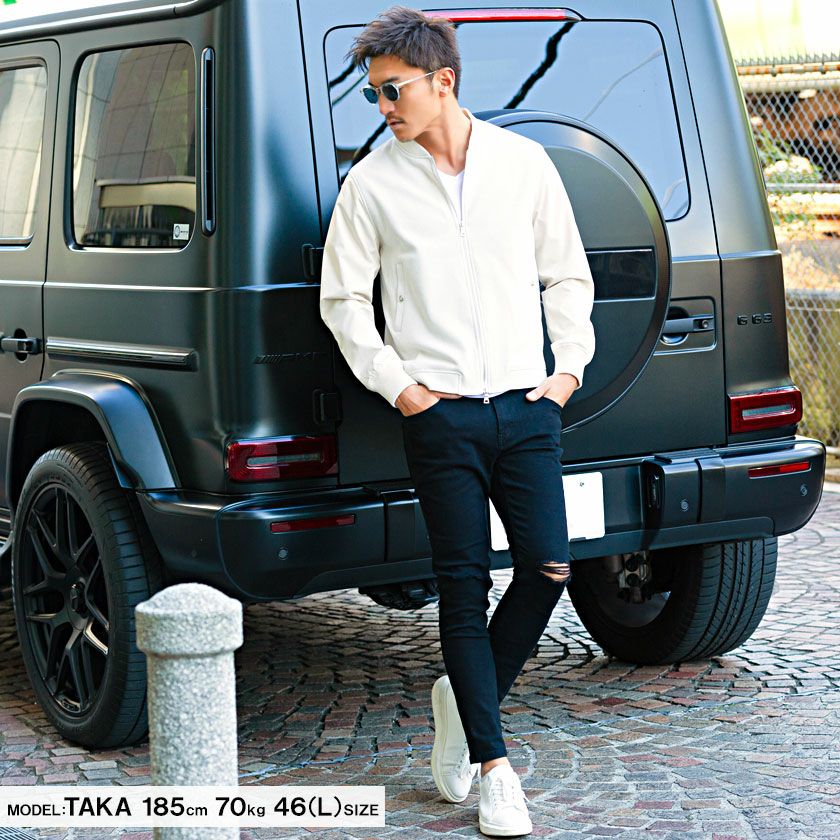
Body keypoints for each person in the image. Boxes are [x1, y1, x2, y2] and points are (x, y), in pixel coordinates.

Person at [319, 6, 595, 836]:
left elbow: (567, 275)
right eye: (373, 94)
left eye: (392, 89)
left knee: (549, 567)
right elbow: (343, 302)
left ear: (443, 81)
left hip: (526, 407)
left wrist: (568, 369)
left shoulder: (522, 164)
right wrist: (401, 388)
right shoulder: (373, 184)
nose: (382, 107)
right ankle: (495, 768)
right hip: (439, 417)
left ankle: (463, 701)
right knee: (463, 586)